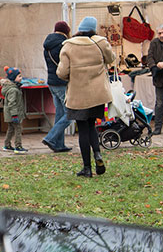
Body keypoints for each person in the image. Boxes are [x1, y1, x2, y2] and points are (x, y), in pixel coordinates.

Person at [57, 16, 116, 178]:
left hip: (77, 95)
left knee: (83, 129)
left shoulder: (68, 46)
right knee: (92, 126)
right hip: (97, 94)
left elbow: (62, 73)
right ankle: (97, 154)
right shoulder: (100, 42)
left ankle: (87, 168)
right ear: (94, 29)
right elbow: (111, 59)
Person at [41, 21, 73, 153]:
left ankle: (59, 145)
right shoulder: (63, 45)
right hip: (61, 82)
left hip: (51, 82)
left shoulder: (47, 44)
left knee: (60, 114)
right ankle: (51, 137)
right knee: (71, 113)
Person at [0, 67, 27, 153]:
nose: (21, 78)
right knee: (18, 129)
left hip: (10, 114)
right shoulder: (13, 90)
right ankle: (18, 146)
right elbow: (12, 103)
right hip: (13, 114)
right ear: (13, 78)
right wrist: (14, 115)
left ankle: (7, 145)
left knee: (11, 129)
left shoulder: (12, 88)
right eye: (19, 76)